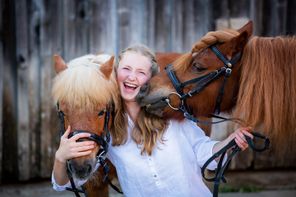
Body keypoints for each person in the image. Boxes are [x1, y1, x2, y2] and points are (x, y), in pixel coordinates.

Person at [52, 44, 253, 196]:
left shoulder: (173, 116)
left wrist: (230, 142)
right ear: (116, 73)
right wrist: (61, 157)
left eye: (140, 72)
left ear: (150, 78)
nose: (132, 77)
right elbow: (67, 183)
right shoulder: (113, 132)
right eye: (126, 69)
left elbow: (205, 155)